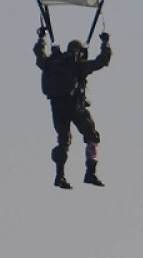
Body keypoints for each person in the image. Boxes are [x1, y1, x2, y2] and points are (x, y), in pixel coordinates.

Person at [34, 27, 112, 188]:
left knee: (63, 141)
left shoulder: (51, 63)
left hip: (57, 108)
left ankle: (59, 176)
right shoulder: (79, 66)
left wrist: (41, 38)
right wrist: (105, 43)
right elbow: (102, 61)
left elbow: (39, 55)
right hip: (75, 107)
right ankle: (90, 172)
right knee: (92, 136)